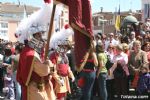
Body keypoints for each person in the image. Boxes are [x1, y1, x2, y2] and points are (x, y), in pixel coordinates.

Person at [16, 2, 56, 100]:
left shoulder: (33, 51)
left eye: (41, 35)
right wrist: (49, 64)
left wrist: (50, 67)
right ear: (31, 37)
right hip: (33, 89)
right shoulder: (30, 53)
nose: (41, 38)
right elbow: (44, 71)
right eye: (38, 35)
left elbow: (51, 71)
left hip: (40, 87)